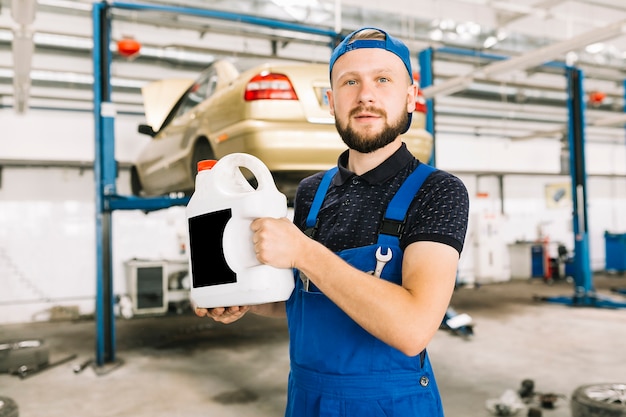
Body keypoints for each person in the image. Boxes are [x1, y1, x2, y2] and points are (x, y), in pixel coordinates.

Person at [195, 26, 470, 417]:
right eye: (350, 82)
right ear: (331, 101)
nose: (366, 95)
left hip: (392, 405)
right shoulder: (312, 191)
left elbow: (413, 329)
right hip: (307, 399)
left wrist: (303, 251)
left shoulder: (439, 191)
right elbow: (305, 300)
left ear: (410, 99)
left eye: (383, 80)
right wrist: (248, 300)